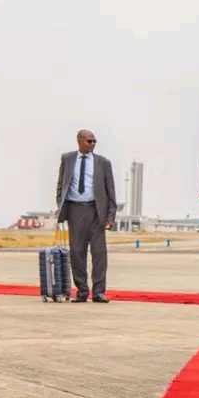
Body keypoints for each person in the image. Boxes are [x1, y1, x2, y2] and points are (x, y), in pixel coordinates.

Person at [55, 129, 117, 303]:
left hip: (96, 212)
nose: (92, 144)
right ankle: (82, 291)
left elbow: (110, 191)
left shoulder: (103, 163)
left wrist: (111, 215)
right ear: (79, 141)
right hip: (75, 211)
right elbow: (61, 185)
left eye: (94, 141)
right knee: (77, 253)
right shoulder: (67, 159)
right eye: (89, 141)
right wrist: (61, 205)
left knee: (99, 254)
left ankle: (99, 292)